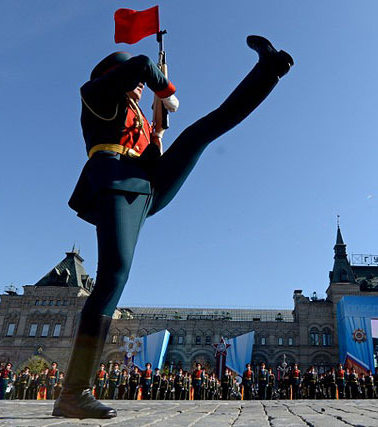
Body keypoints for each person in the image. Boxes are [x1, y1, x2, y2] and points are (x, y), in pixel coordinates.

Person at [54, 34, 293, 419]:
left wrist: (159, 126)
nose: (135, 85)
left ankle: (268, 71)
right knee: (112, 278)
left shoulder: (140, 118)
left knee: (202, 132)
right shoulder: (95, 95)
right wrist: (166, 88)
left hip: (145, 186)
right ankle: (73, 391)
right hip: (114, 182)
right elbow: (142, 64)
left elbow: (153, 156)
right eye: (128, 79)